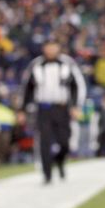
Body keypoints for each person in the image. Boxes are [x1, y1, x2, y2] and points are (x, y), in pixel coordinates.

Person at [21, 40, 86, 184]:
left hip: (62, 107)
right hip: (43, 108)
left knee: (65, 140)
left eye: (53, 47)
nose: (50, 50)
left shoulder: (67, 63)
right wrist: (22, 109)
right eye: (48, 47)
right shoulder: (36, 64)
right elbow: (27, 88)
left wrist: (76, 106)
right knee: (44, 141)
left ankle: (59, 161)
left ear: (58, 48)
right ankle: (47, 174)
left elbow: (78, 86)